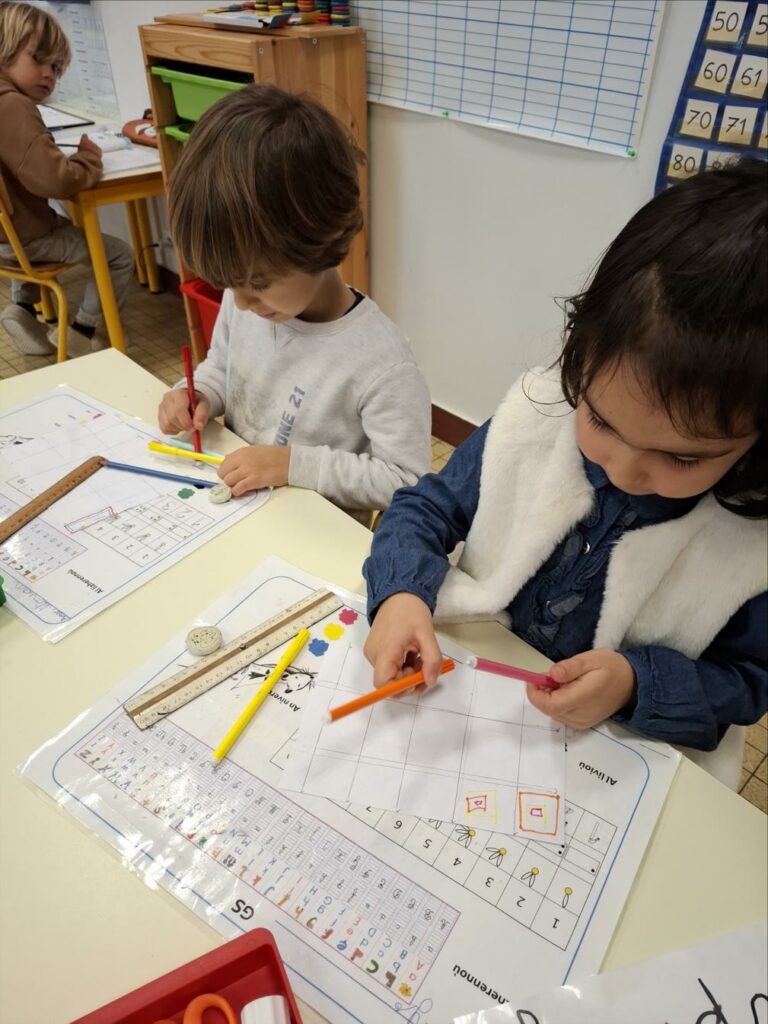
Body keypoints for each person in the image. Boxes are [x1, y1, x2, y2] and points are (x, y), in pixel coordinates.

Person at [363, 160, 767, 769]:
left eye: (681, 457)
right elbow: (424, 507)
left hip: (615, 756)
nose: (624, 470)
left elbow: (747, 680)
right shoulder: (539, 414)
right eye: (600, 421)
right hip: (477, 698)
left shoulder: (753, 546)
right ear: (580, 354)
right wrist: (400, 595)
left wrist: (635, 683)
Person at [158, 84, 431, 519]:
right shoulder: (246, 301)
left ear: (320, 238)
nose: (241, 302)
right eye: (229, 283)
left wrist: (293, 466)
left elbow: (406, 480)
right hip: (240, 511)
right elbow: (223, 366)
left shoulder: (382, 363)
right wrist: (198, 393)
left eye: (258, 282)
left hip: (313, 535)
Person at [0, 0, 133, 357]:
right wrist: (89, 157)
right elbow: (58, 181)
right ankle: (82, 331)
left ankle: (22, 308)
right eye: (39, 60)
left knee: (50, 217)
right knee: (119, 255)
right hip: (24, 238)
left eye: (57, 67)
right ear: (5, 48)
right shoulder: (14, 106)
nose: (50, 74)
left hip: (7, 233)